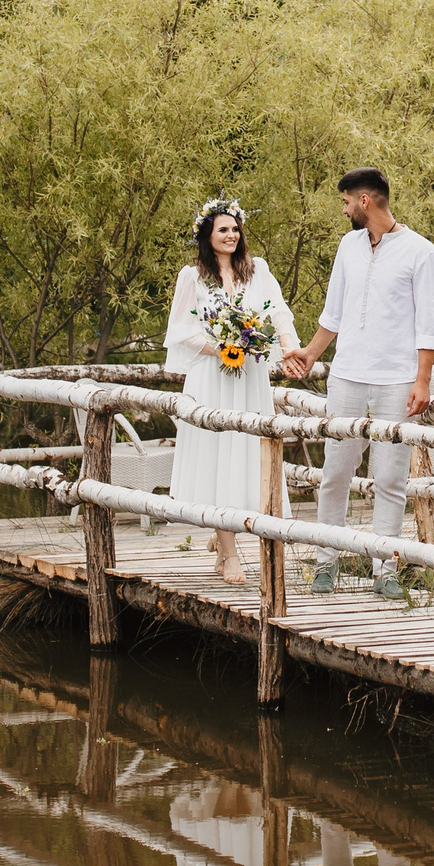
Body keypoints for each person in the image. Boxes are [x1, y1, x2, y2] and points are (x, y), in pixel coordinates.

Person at [278, 168, 434, 603]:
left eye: (347, 200)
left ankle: (384, 568)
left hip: (396, 380)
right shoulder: (348, 246)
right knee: (335, 472)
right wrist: (311, 354)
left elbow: (429, 325)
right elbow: (334, 312)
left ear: (366, 201)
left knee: (390, 476)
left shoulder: (421, 253)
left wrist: (422, 380)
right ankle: (325, 562)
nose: (345, 208)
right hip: (347, 375)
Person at [166, 199, 300, 582]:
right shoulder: (192, 277)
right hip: (212, 373)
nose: (231, 235)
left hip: (250, 377)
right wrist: (222, 347)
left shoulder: (257, 271)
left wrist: (288, 348)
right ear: (207, 235)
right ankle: (229, 554)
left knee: (245, 453)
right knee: (215, 454)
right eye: (223, 229)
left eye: (235, 229)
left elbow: (279, 312)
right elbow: (181, 330)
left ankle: (225, 533)